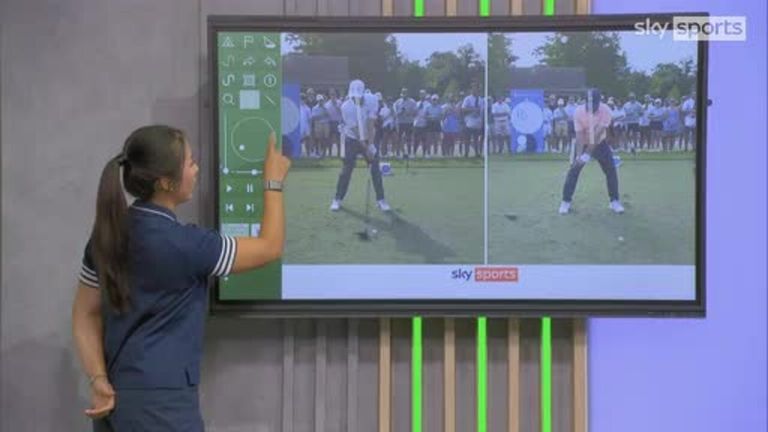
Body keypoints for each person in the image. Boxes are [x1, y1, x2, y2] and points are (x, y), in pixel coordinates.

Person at [72, 125, 291, 431]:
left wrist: (98, 379)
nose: (196, 169)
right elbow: (270, 247)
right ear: (165, 182)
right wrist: (273, 182)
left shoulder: (106, 236)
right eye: (190, 163)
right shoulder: (185, 245)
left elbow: (84, 314)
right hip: (162, 407)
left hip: (114, 402)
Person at [558, 89, 625, 215]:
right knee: (573, 171)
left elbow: (597, 134)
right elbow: (579, 135)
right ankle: (565, 202)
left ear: (599, 102)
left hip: (600, 143)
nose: (592, 107)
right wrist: (579, 156)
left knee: (611, 171)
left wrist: (587, 154)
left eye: (594, 104)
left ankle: (614, 201)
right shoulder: (578, 112)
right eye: (589, 104)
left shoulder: (606, 110)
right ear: (585, 102)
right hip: (582, 142)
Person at [330, 79, 391, 212]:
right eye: (354, 97)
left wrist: (371, 145)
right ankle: (337, 199)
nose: (356, 99)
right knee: (346, 170)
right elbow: (357, 131)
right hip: (352, 138)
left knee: (375, 169)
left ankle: (381, 200)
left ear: (364, 93)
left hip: (369, 137)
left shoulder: (372, 100)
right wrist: (366, 147)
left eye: (359, 97)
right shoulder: (346, 107)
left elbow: (370, 124)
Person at [393, 88, 417, 159]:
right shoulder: (397, 102)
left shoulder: (412, 102)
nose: (404, 94)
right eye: (403, 93)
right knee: (399, 138)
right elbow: (395, 113)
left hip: (409, 122)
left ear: (408, 93)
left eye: (405, 93)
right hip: (400, 123)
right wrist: (400, 112)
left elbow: (415, 112)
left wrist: (408, 112)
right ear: (401, 93)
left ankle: (409, 153)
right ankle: (398, 154)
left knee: (409, 138)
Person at [461, 85, 484, 157]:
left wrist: (481, 120)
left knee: (476, 138)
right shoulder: (467, 99)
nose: (475, 91)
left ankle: (477, 153)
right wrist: (472, 109)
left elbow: (482, 111)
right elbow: (463, 109)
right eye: (473, 89)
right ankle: (466, 153)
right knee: (467, 138)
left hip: (478, 121)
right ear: (471, 90)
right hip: (469, 120)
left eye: (476, 90)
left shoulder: (481, 99)